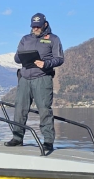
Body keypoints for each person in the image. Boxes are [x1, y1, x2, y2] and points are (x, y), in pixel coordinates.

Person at [5, 12, 64, 152]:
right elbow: (16, 58)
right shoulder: (25, 39)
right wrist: (23, 57)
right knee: (20, 109)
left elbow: (60, 59)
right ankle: (17, 138)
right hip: (25, 79)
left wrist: (45, 63)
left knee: (44, 110)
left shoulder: (54, 39)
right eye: (33, 26)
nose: (35, 29)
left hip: (42, 78)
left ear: (45, 24)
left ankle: (48, 141)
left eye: (38, 26)